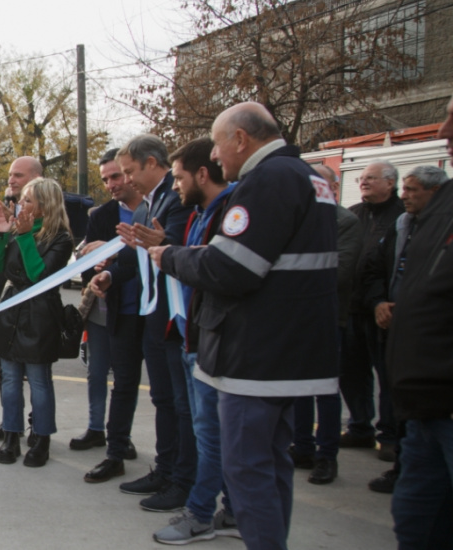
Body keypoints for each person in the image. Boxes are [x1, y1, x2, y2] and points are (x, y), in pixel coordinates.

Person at [151, 101, 339, 549]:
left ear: (240, 139)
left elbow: (231, 269)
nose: (214, 158)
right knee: (271, 466)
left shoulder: (267, 181)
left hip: (255, 355)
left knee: (247, 467)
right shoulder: (311, 178)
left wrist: (171, 256)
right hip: (290, 349)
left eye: (217, 146)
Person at [149, 137, 239, 544]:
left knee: (211, 435)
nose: (175, 186)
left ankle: (201, 513)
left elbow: (214, 270)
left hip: (211, 345)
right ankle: (233, 510)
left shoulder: (231, 214)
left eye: (180, 177)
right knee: (212, 432)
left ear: (203, 174)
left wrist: (169, 255)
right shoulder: (203, 212)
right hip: (193, 338)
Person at [98, 134, 194, 513]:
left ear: (154, 163)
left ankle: (182, 478)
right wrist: (109, 275)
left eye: (130, 171)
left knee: (180, 402)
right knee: (163, 398)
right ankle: (167, 468)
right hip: (153, 316)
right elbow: (132, 259)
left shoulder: (177, 199)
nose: (126, 180)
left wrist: (164, 241)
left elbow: (181, 248)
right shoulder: (144, 209)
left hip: (175, 317)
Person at [385, 92, 453, 550]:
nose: (444, 132)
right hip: (424, 402)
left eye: (451, 120)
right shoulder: (443, 205)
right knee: (415, 523)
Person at [0, 178, 73, 468]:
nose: (22, 205)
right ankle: (12, 435)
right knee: (9, 379)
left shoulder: (60, 238)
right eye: (22, 199)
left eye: (29, 200)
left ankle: (42, 438)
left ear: (45, 206)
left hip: (40, 313)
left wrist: (22, 237)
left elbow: (39, 276)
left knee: (38, 380)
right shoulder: (17, 230)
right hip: (11, 309)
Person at [289, 164, 362, 486]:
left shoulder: (345, 222)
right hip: (296, 316)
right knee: (298, 387)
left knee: (325, 389)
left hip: (328, 316)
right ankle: (302, 446)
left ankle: (326, 455)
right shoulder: (300, 217)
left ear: (331, 186)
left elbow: (340, 270)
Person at [78, 148, 142, 481]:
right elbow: (88, 257)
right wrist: (97, 258)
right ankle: (106, 438)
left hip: (150, 310)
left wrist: (118, 256)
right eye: (105, 179)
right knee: (108, 376)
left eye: (116, 176)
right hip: (112, 307)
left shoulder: (155, 209)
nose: (112, 184)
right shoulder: (100, 215)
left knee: (138, 384)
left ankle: (123, 440)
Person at [341, 160, 404, 460]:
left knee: (387, 373)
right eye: (361, 178)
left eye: (370, 178)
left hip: (381, 310)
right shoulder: (355, 214)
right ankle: (359, 427)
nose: (363, 182)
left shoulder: (401, 217)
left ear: (390, 183)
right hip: (352, 306)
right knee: (351, 372)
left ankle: (390, 434)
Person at [0, 156, 41, 439]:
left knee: (37, 375)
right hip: (2, 298)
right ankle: (9, 422)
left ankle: (36, 427)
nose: (11, 181)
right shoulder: (0, 208)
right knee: (7, 372)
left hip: (34, 304)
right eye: (9, 176)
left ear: (35, 179)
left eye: (18, 175)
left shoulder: (47, 216)